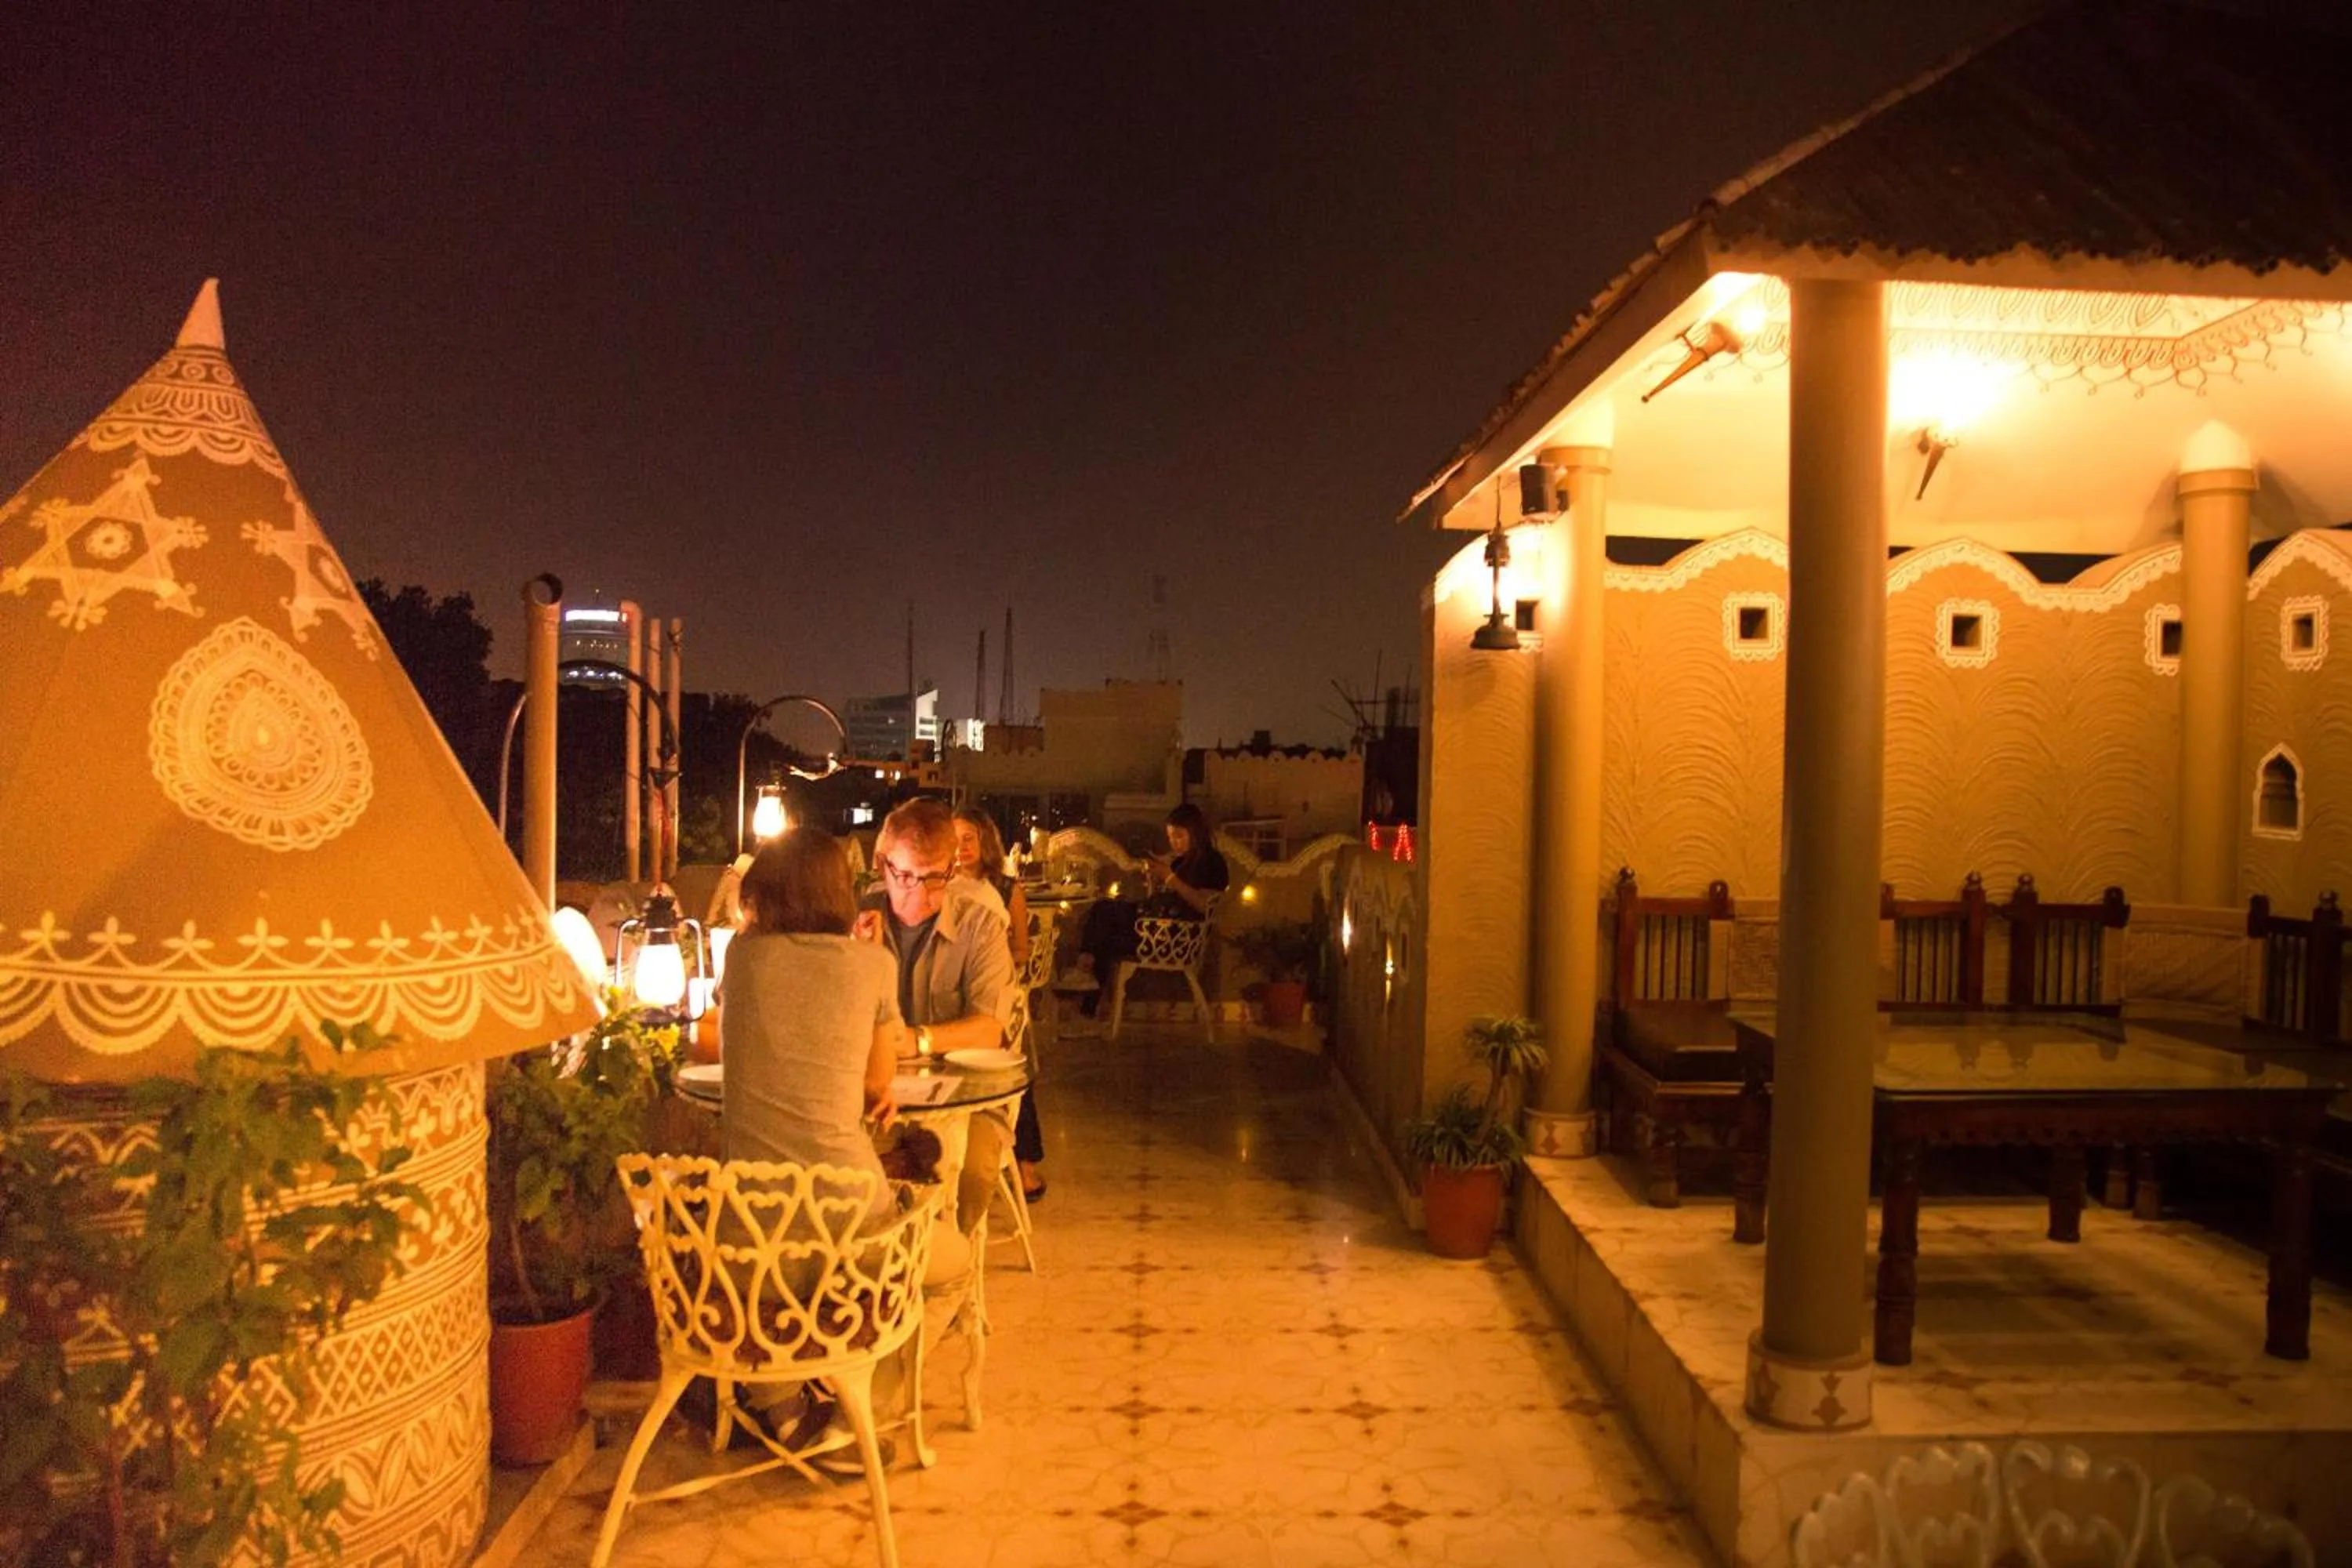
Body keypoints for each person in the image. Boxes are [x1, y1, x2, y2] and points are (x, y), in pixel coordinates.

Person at [858, 798, 1016, 1227]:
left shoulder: (979, 926)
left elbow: (990, 1029)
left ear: (954, 868)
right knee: (843, 1163)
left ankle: (946, 1269)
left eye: (936, 879)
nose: (921, 895)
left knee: (973, 1168)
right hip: (874, 1093)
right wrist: (859, 960)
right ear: (882, 863)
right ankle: (883, 1271)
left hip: (966, 1096)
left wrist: (917, 1040)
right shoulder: (855, 919)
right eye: (906, 876)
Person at [954, 805, 1047, 1202]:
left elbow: (1021, 951)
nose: (961, 848)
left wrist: (992, 966)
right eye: (954, 840)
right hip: (950, 991)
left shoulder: (1007, 891)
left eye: (968, 839)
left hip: (996, 991)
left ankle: (1026, 1163)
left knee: (1008, 1066)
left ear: (984, 842)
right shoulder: (939, 885)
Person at [1073, 802, 1230, 1015]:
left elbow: (1204, 904)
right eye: (1171, 837)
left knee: (1105, 917)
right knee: (1105, 924)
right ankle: (1087, 998)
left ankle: (1085, 977)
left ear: (1195, 833)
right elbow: (1164, 897)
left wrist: (1170, 878)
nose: (1174, 843)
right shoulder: (1181, 861)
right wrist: (1155, 881)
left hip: (1176, 937)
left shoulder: (1212, 862)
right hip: (1155, 925)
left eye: (1179, 836)